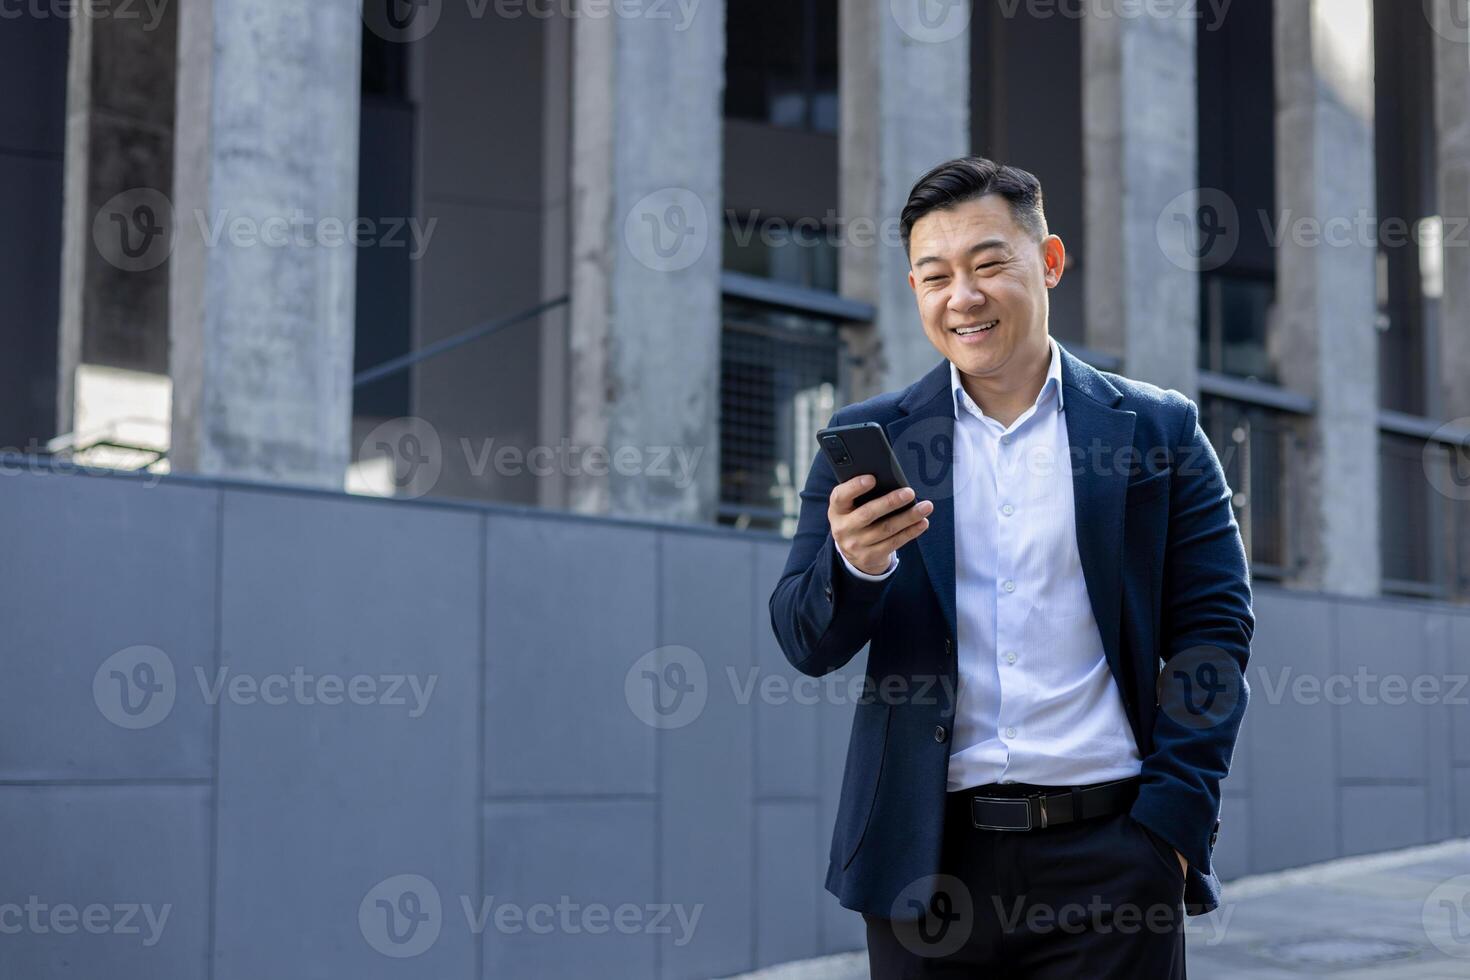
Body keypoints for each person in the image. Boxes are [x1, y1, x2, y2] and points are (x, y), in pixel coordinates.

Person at [767, 156, 1253, 977]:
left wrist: (1170, 832)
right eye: (935, 276)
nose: (963, 296)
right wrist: (854, 565)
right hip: (927, 866)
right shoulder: (869, 440)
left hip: (1112, 861)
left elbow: (1214, 636)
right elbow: (803, 639)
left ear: (1050, 261)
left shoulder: (1159, 432)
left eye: (990, 264)